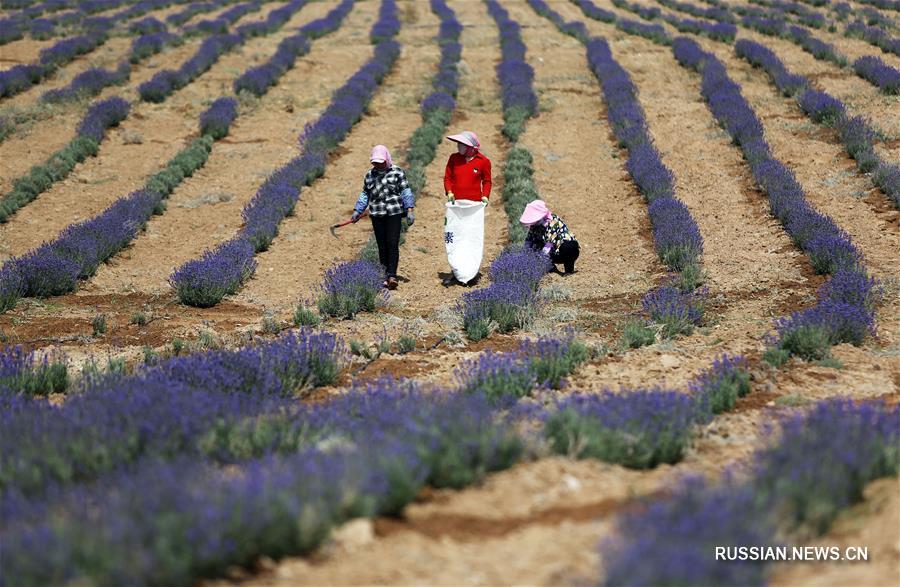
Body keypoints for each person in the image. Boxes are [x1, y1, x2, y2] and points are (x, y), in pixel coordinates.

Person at [351, 145, 415, 290]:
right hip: (377, 214)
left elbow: (405, 191)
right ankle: (384, 275)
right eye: (375, 162)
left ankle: (392, 275)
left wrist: (410, 209)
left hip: (394, 213)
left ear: (386, 159)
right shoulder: (369, 175)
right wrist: (357, 210)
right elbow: (365, 194)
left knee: (392, 243)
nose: (378, 164)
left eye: (380, 162)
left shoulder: (397, 172)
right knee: (382, 245)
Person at [520, 199, 580, 274]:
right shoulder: (535, 226)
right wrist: (524, 255)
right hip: (551, 253)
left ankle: (568, 270)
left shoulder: (553, 221)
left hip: (562, 250)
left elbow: (549, 243)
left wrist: (541, 259)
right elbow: (528, 240)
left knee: (569, 247)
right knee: (534, 246)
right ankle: (550, 268)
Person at [444, 131, 491, 204]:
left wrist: (485, 196)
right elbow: (447, 178)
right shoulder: (454, 158)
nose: (459, 146)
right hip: (455, 202)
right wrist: (449, 192)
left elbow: (487, 181)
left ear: (470, 147)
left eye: (462, 144)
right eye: (458, 143)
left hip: (474, 204)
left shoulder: (483, 161)